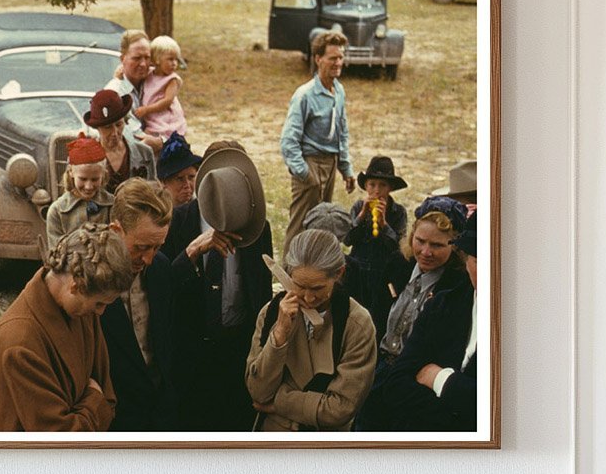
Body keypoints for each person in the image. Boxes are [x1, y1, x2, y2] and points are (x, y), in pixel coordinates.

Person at [0, 223, 134, 432]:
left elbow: (107, 393)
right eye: (99, 303)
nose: (101, 312)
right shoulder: (19, 340)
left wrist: (89, 407)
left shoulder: (83, 310)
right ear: (75, 286)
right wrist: (94, 401)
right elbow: (58, 437)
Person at [164, 140, 273, 431]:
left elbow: (261, 290)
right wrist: (193, 251)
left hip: (238, 351)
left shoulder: (257, 226)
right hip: (192, 356)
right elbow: (164, 287)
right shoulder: (178, 221)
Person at [353, 197, 470, 431]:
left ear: (454, 245)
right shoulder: (397, 264)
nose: (426, 252)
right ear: (411, 236)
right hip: (377, 367)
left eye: (437, 245)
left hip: (413, 383)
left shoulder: (457, 287)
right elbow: (376, 315)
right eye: (420, 241)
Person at [246, 229, 376, 432]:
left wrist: (279, 403)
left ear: (339, 273)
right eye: (299, 286)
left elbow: (341, 408)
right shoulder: (271, 313)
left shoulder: (357, 324)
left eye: (317, 288)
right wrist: (279, 335)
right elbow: (258, 392)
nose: (307, 298)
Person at [378, 212, 480, 431]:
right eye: (479, 261)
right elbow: (397, 385)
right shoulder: (444, 305)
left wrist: (439, 378)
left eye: (436, 245)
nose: (426, 252)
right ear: (468, 259)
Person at [101, 179, 177, 431]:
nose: (149, 258)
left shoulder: (161, 267)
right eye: (141, 247)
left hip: (159, 414)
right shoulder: (92, 279)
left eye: (158, 247)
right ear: (115, 229)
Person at [280, 30, 355, 258]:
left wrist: (346, 168)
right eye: (333, 58)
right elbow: (288, 141)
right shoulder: (305, 95)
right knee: (300, 226)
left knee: (322, 225)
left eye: (341, 57)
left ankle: (313, 277)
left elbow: (342, 131)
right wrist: (305, 173)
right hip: (310, 164)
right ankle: (289, 282)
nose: (338, 63)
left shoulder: (338, 90)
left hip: (330, 164)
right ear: (318, 58)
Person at [345, 156, 409, 335]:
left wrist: (384, 226)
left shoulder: (398, 212)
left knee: (378, 318)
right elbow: (347, 239)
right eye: (372, 184)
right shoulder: (358, 207)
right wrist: (362, 215)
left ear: (390, 189)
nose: (377, 190)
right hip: (358, 272)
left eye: (382, 185)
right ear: (366, 186)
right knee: (354, 315)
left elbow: (400, 247)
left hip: (383, 274)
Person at [45, 135, 114, 250]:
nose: (88, 186)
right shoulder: (57, 211)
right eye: (83, 179)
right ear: (71, 172)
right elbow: (55, 252)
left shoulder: (112, 205)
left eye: (95, 179)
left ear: (103, 174)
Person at [104, 29, 162, 153]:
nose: (143, 64)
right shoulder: (115, 93)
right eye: (136, 58)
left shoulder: (154, 83)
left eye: (147, 58)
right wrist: (163, 141)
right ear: (122, 59)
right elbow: (136, 139)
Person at [83, 89, 156, 185]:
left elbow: (154, 193)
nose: (115, 132)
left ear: (125, 121)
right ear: (97, 128)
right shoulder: (84, 158)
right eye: (107, 127)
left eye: (119, 124)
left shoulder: (145, 153)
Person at [136, 35, 187, 141]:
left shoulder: (172, 79)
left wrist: (147, 109)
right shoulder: (149, 73)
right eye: (170, 59)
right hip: (152, 117)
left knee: (157, 137)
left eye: (176, 60)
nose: (174, 64)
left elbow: (167, 101)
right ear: (158, 60)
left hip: (166, 118)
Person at [155, 132, 202, 208]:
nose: (187, 185)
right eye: (180, 179)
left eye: (191, 177)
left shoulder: (202, 210)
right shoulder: (155, 214)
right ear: (163, 182)